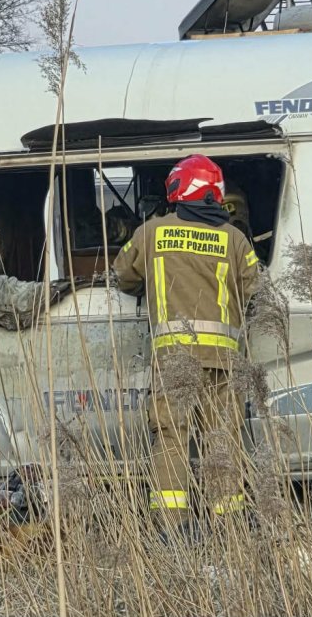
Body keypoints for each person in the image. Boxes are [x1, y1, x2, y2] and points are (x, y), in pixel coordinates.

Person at [112, 154, 260, 535]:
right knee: (223, 440)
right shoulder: (236, 239)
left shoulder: (152, 232)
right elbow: (251, 291)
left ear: (178, 189)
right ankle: (226, 523)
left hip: (173, 359)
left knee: (171, 440)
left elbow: (123, 275)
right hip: (223, 362)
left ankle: (172, 527)